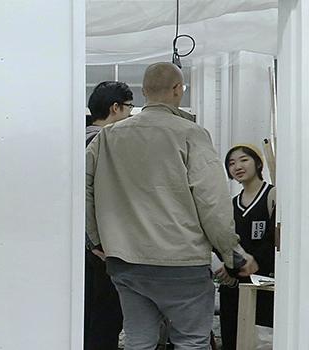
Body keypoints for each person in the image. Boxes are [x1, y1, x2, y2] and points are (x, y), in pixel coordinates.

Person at [87, 62, 258, 350]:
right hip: (181, 263)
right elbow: (212, 201)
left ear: (144, 92)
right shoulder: (191, 134)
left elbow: (81, 186)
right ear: (178, 90)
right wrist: (233, 255)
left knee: (138, 340)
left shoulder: (108, 136)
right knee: (191, 342)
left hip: (126, 262)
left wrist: (97, 239)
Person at [84, 80, 133, 349]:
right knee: (105, 324)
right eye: (129, 108)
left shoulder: (75, 140)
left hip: (80, 251)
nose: (129, 115)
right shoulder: (106, 143)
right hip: (103, 249)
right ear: (115, 108)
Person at [217, 144, 277, 349]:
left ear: (258, 163)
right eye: (231, 163)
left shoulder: (272, 196)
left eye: (244, 160)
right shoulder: (230, 205)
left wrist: (250, 262)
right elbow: (222, 240)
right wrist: (230, 264)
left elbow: (274, 240)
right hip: (234, 285)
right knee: (232, 338)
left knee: (261, 340)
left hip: (264, 284)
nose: (237, 166)